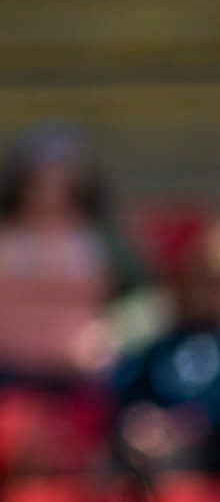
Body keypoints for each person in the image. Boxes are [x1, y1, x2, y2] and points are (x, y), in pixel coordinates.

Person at [114, 218, 220, 475]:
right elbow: (136, 386)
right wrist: (139, 420)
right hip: (158, 453)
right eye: (208, 281)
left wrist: (187, 426)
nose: (216, 295)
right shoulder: (170, 339)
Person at [0, 125, 141, 386]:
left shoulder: (103, 242)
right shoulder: (6, 236)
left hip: (82, 375)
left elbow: (146, 302)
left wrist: (114, 335)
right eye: (39, 182)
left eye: (60, 182)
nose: (49, 193)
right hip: (7, 372)